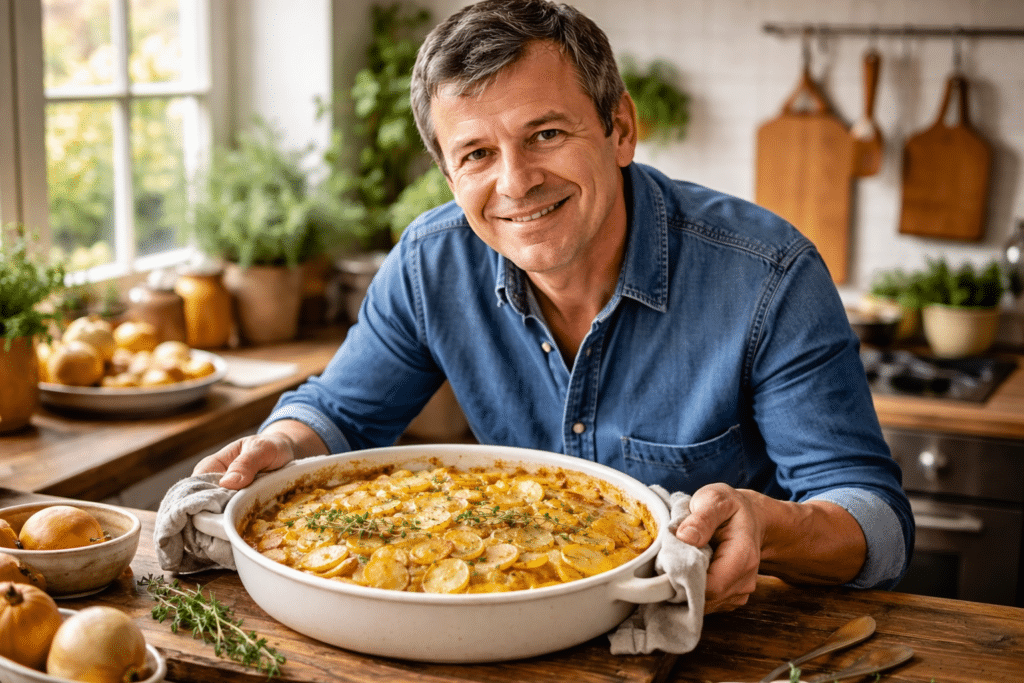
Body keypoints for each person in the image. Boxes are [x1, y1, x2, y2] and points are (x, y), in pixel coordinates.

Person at [194, 0, 913, 613]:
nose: (516, 183)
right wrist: (284, 443)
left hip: (720, 637)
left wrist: (767, 524)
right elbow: (342, 414)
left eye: (545, 134)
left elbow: (877, 528)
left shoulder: (769, 274)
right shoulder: (429, 261)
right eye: (476, 153)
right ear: (448, 175)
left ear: (620, 128)